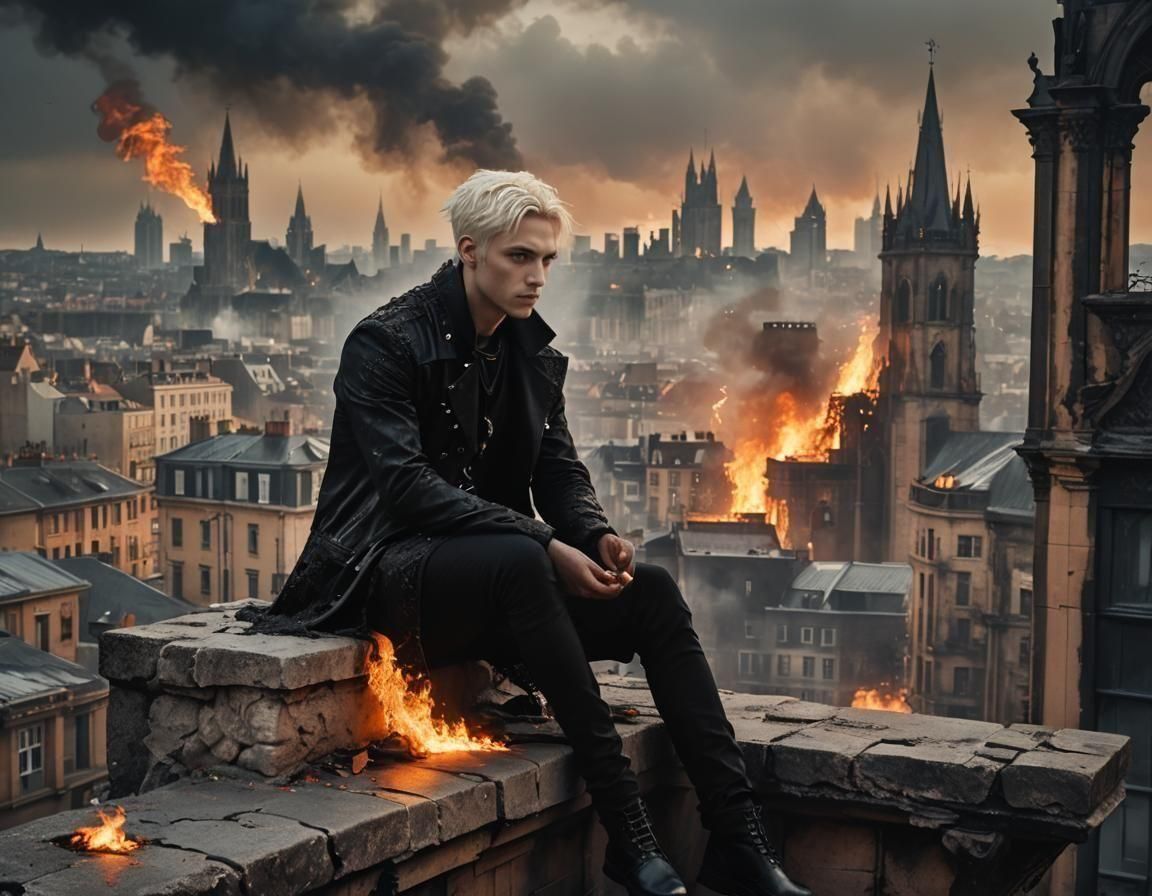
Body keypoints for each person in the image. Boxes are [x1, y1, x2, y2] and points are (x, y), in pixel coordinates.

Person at [269, 170, 811, 896]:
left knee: (649, 589)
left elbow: (559, 472)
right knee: (522, 565)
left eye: (547, 260)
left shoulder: (532, 354)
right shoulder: (386, 343)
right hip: (381, 573)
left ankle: (740, 840)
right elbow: (407, 489)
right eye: (520, 257)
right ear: (469, 251)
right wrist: (541, 542)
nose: (537, 277)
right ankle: (630, 834)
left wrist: (591, 534)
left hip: (498, 580)